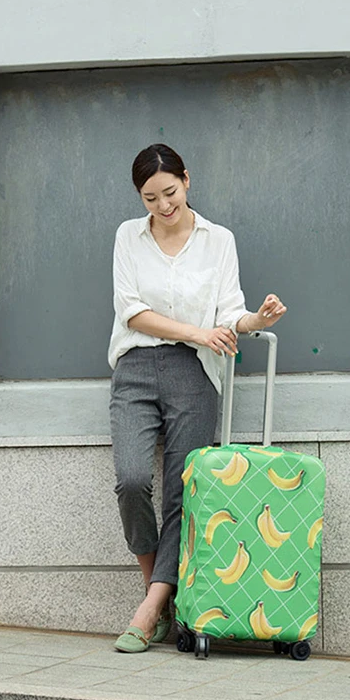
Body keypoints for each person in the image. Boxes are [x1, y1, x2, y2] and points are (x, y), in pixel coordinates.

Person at [108, 143, 287, 653]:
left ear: (186, 180)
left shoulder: (218, 240)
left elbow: (230, 312)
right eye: (150, 198)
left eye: (170, 192)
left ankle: (148, 611)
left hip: (194, 373)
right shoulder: (128, 237)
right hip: (135, 368)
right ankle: (159, 592)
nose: (163, 206)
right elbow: (132, 311)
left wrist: (256, 320)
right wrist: (197, 331)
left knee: (181, 493)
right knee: (132, 480)